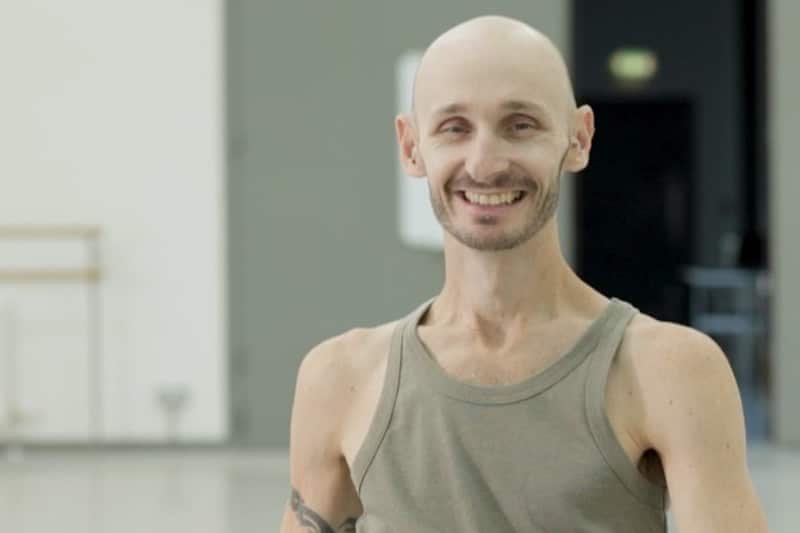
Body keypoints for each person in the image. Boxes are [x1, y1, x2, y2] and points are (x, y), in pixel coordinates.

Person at [280, 15, 768, 533]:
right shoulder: (339, 380)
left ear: (578, 138)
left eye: (521, 125)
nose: (485, 164)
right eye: (454, 127)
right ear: (410, 146)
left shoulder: (670, 371)